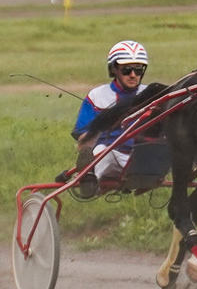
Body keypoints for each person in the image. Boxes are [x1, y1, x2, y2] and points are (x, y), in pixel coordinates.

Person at [71, 40, 170, 193]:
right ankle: (89, 181)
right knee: (102, 151)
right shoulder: (97, 96)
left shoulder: (152, 95)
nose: (133, 75)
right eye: (126, 70)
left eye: (138, 70)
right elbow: (83, 141)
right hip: (110, 155)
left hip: (142, 158)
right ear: (114, 69)